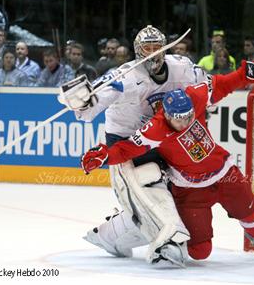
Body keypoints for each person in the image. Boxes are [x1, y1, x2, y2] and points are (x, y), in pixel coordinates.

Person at [80, 60, 254, 263]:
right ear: (166, 114)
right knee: (200, 252)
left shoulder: (195, 96)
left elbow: (222, 84)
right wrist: (104, 155)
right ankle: (134, 229)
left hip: (224, 173)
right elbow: (126, 149)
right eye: (179, 119)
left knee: (249, 211)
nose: (185, 122)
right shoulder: (155, 130)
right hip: (190, 189)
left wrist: (246, 73)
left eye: (188, 116)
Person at [59, 25, 210, 266]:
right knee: (151, 185)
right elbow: (88, 111)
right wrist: (81, 102)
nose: (152, 53)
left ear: (165, 48)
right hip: (127, 143)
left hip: (163, 139)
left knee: (179, 193)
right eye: (146, 48)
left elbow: (207, 83)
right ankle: (167, 239)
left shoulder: (181, 66)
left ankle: (111, 235)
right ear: (137, 52)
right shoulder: (124, 77)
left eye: (156, 48)